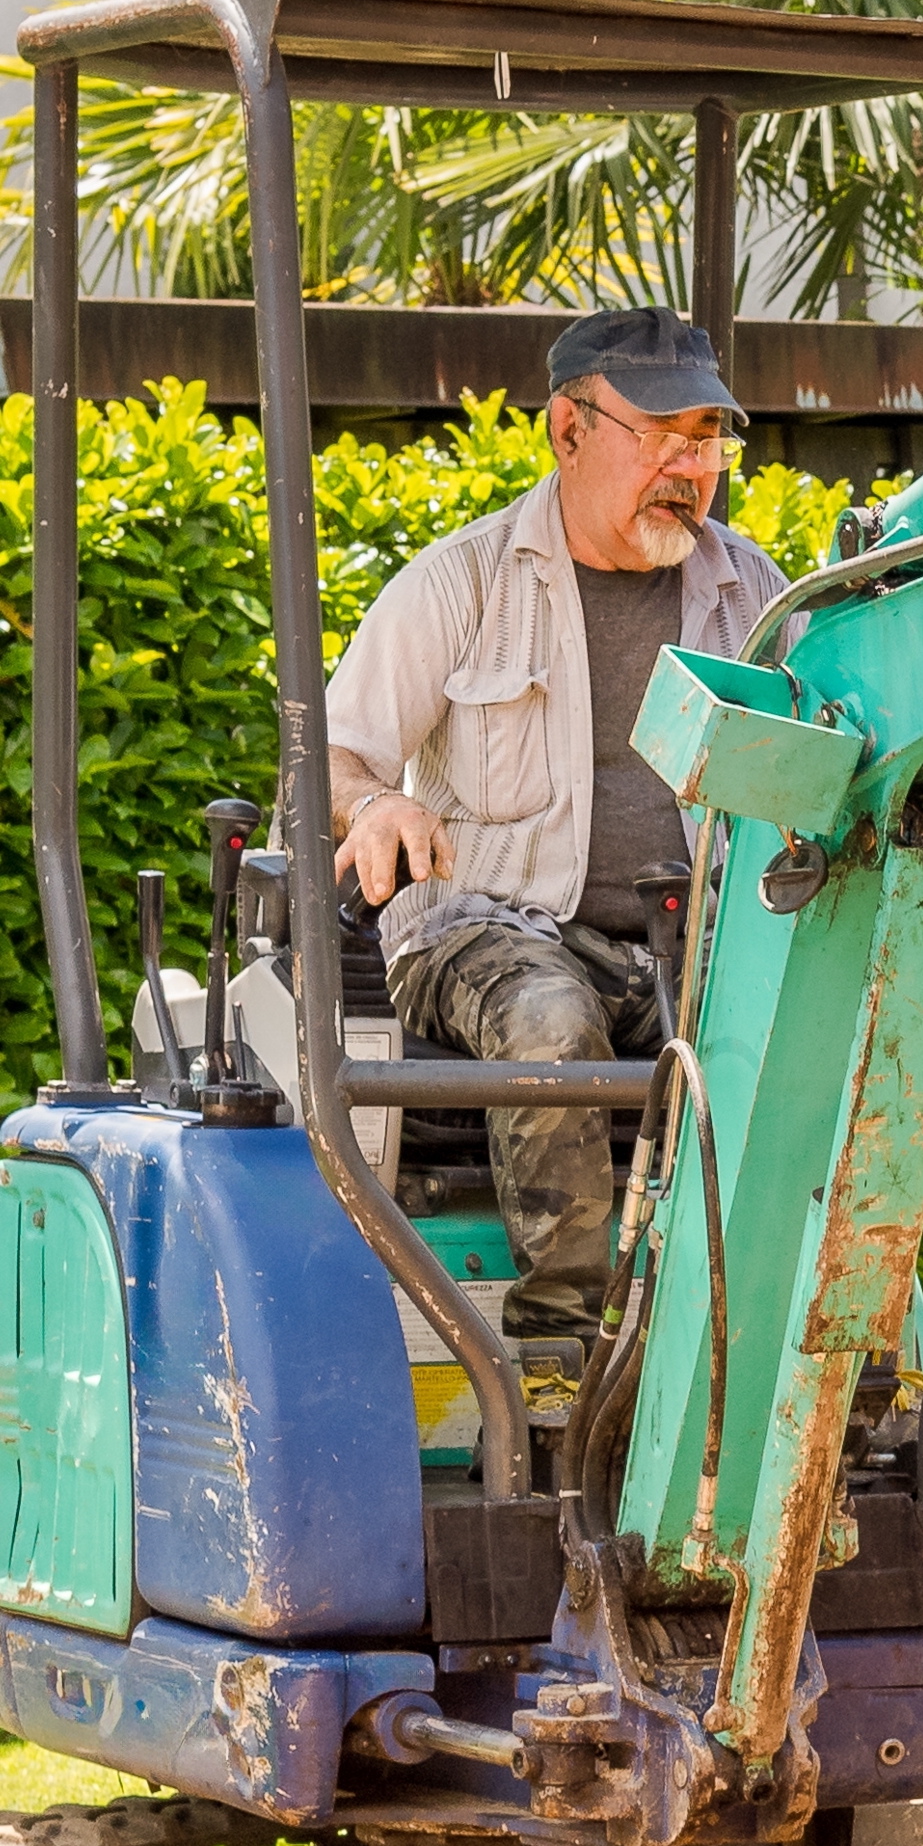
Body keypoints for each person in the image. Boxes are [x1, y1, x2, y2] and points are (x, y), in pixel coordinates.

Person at [321, 306, 784, 1355]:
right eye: (660, 435)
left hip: (682, 946)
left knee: (825, 1017)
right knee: (546, 1017)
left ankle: (781, 1354)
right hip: (485, 933)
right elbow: (327, 762)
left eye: (707, 439)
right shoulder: (463, 583)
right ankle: (557, 1353)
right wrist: (379, 802)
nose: (689, 466)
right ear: (567, 431)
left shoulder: (752, 593)